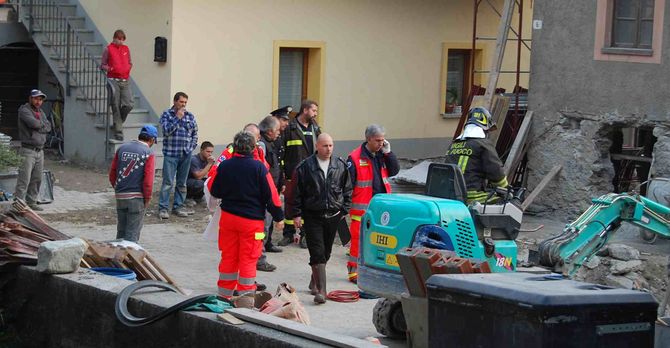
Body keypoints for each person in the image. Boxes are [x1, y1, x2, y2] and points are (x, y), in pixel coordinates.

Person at [209, 131, 284, 307]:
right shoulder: (258, 168)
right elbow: (271, 196)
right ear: (253, 148)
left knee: (228, 257)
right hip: (251, 223)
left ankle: (223, 297)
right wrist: (279, 217)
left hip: (228, 219)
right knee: (249, 260)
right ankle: (245, 300)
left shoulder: (225, 166)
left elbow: (215, 190)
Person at [292, 133, 352, 303]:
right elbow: (297, 192)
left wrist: (344, 210)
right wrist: (296, 214)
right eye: (325, 146)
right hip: (313, 215)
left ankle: (314, 281)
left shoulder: (340, 165)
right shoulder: (305, 167)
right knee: (317, 252)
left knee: (326, 252)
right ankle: (322, 291)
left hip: (333, 215)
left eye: (331, 146)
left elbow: (347, 189)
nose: (328, 149)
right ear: (317, 146)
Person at [346, 124, 400, 283]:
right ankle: (353, 272)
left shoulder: (382, 154)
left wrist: (389, 153)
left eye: (383, 140)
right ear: (368, 139)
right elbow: (348, 185)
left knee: (381, 239)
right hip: (362, 207)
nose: (381, 144)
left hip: (381, 206)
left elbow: (394, 171)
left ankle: (376, 269)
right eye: (377, 140)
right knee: (357, 239)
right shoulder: (355, 157)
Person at [280, 100, 321, 249]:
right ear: (305, 110)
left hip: (311, 174)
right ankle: (288, 234)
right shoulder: (290, 128)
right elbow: (282, 152)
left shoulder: (315, 128)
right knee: (290, 204)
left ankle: (305, 234)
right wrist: (284, 173)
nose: (316, 114)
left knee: (308, 204)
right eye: (314, 110)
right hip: (293, 173)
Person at [445, 107, 508, 204]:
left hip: (450, 194)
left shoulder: (454, 144)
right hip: (472, 197)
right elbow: (496, 172)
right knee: (505, 202)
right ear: (484, 128)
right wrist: (506, 188)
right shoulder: (483, 145)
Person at [108, 125, 157, 242]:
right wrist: (147, 197)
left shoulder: (121, 148)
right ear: (152, 140)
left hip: (120, 196)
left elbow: (112, 174)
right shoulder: (148, 153)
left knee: (121, 231)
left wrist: (118, 188)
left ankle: (116, 259)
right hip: (136, 198)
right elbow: (148, 181)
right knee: (132, 234)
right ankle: (128, 259)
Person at [158, 92, 198, 219]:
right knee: (168, 182)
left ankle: (178, 206)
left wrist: (190, 148)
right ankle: (163, 208)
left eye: (185, 102)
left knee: (182, 183)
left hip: (185, 154)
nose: (183, 105)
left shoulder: (190, 116)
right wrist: (177, 118)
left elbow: (195, 134)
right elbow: (166, 131)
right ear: (175, 101)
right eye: (181, 102)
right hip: (171, 153)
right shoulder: (166, 114)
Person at [15, 89, 51, 211]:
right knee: (24, 179)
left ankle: (31, 202)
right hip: (28, 150)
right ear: (30, 98)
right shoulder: (24, 110)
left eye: (40, 99)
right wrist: (42, 125)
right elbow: (34, 124)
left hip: (40, 150)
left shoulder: (41, 112)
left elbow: (49, 126)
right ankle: (18, 204)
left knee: (37, 178)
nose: (38, 101)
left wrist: (40, 125)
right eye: (36, 98)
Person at [100, 29, 134, 141]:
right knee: (115, 104)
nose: (120, 41)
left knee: (128, 104)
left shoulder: (126, 49)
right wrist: (110, 68)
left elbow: (130, 62)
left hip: (125, 80)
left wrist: (128, 68)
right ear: (114, 38)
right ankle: (118, 131)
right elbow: (103, 64)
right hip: (113, 80)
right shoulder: (108, 49)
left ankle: (118, 121)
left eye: (122, 39)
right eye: (118, 39)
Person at [259, 116, 283, 253]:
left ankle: (267, 244)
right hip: (266, 190)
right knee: (264, 223)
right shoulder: (262, 145)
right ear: (269, 131)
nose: (279, 133)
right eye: (277, 130)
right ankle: (259, 252)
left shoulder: (270, 143)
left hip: (273, 186)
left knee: (269, 220)